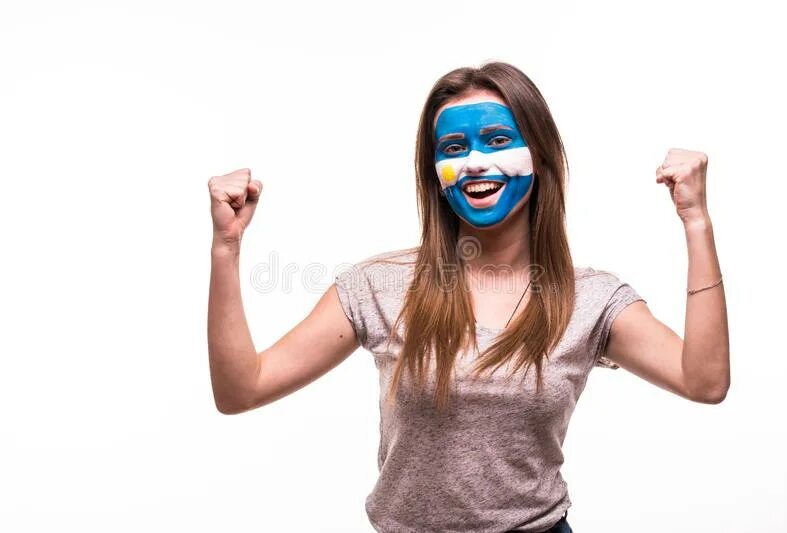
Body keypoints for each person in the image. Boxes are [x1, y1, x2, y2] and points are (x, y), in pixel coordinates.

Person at [206, 61, 730, 533]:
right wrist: (226, 248)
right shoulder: (381, 286)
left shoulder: (589, 299)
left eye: (498, 140)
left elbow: (704, 381)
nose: (475, 162)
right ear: (436, 176)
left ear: (541, 158)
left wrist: (696, 221)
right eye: (454, 150)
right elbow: (241, 390)